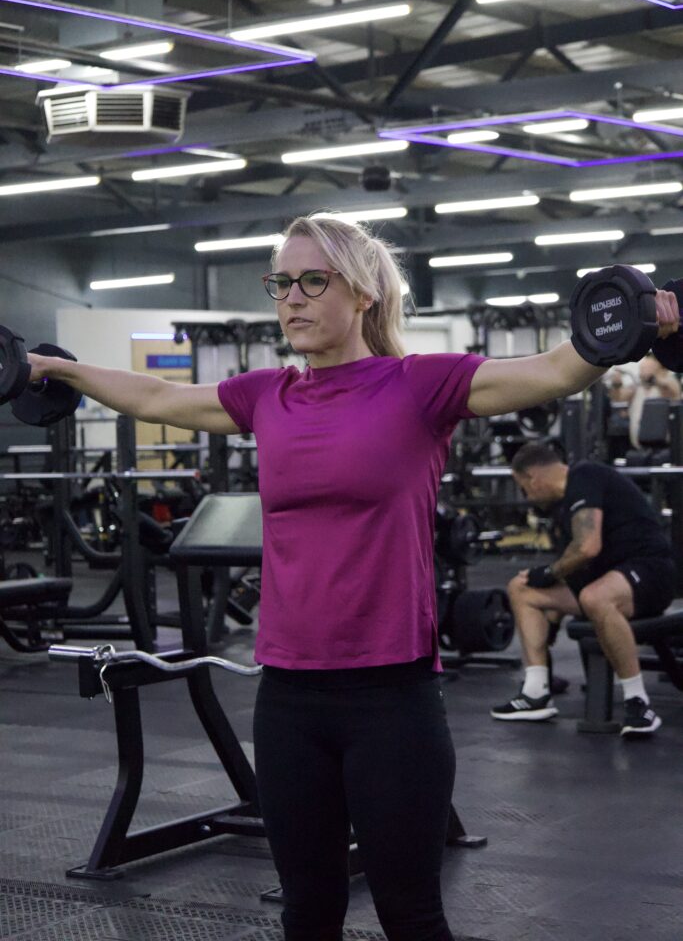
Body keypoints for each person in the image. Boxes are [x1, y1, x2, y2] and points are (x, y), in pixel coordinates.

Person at [22, 214, 679, 941]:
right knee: (307, 913)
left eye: (313, 281)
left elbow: (554, 369)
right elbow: (153, 397)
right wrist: (61, 372)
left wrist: (639, 322)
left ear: (363, 293)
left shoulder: (420, 385)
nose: (292, 299)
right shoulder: (265, 395)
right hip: (287, 699)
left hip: (390, 699)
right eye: (280, 284)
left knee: (411, 916)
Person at [491, 441, 677, 735]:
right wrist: (549, 608)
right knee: (521, 588)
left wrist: (548, 573)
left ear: (533, 479)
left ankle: (638, 703)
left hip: (652, 575)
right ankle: (536, 692)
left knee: (595, 597)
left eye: (524, 488)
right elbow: (574, 565)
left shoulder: (584, 476)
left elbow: (588, 547)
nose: (528, 497)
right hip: (608, 581)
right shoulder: (562, 505)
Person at [608, 353, 681, 449]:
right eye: (642, 368)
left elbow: (673, 391)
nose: (643, 370)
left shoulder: (667, 383)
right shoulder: (637, 388)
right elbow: (618, 397)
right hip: (640, 448)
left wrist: (654, 377)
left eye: (647, 367)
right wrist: (616, 384)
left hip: (664, 448)